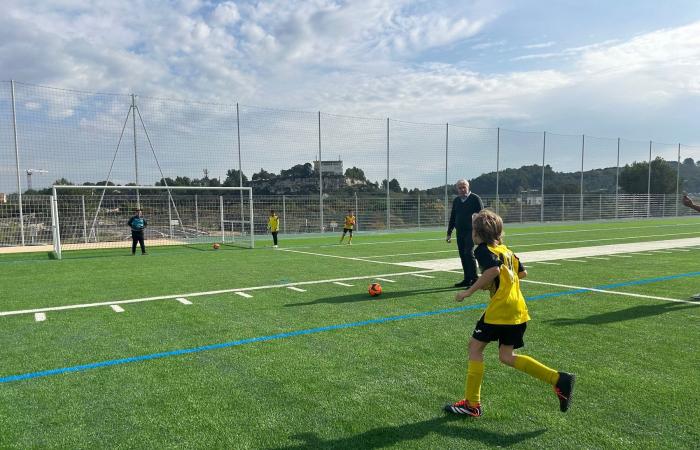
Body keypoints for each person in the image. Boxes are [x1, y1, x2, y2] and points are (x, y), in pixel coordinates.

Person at [444, 209, 575, 417]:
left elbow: (493, 271)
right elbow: (522, 273)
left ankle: (472, 404)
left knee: (474, 348)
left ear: (477, 234)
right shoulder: (506, 251)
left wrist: (468, 292)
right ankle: (558, 379)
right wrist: (498, 283)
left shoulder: (481, 249)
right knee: (506, 356)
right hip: (518, 309)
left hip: (501, 310)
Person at [447, 179, 483, 287]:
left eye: (464, 187)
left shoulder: (475, 199)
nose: (462, 189)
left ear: (468, 187)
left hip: (472, 231)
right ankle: (467, 279)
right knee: (462, 255)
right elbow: (453, 217)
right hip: (460, 232)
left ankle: (475, 279)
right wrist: (449, 232)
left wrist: (480, 231)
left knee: (468, 252)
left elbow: (482, 215)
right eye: (460, 187)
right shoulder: (457, 200)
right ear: (457, 189)